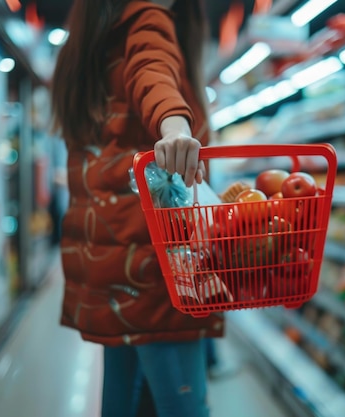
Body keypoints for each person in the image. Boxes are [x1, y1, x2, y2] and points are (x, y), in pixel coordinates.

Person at [50, 1, 224, 416]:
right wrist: (176, 126)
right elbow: (154, 71)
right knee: (184, 408)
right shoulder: (148, 18)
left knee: (120, 404)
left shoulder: (92, 43)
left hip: (111, 267)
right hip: (156, 266)